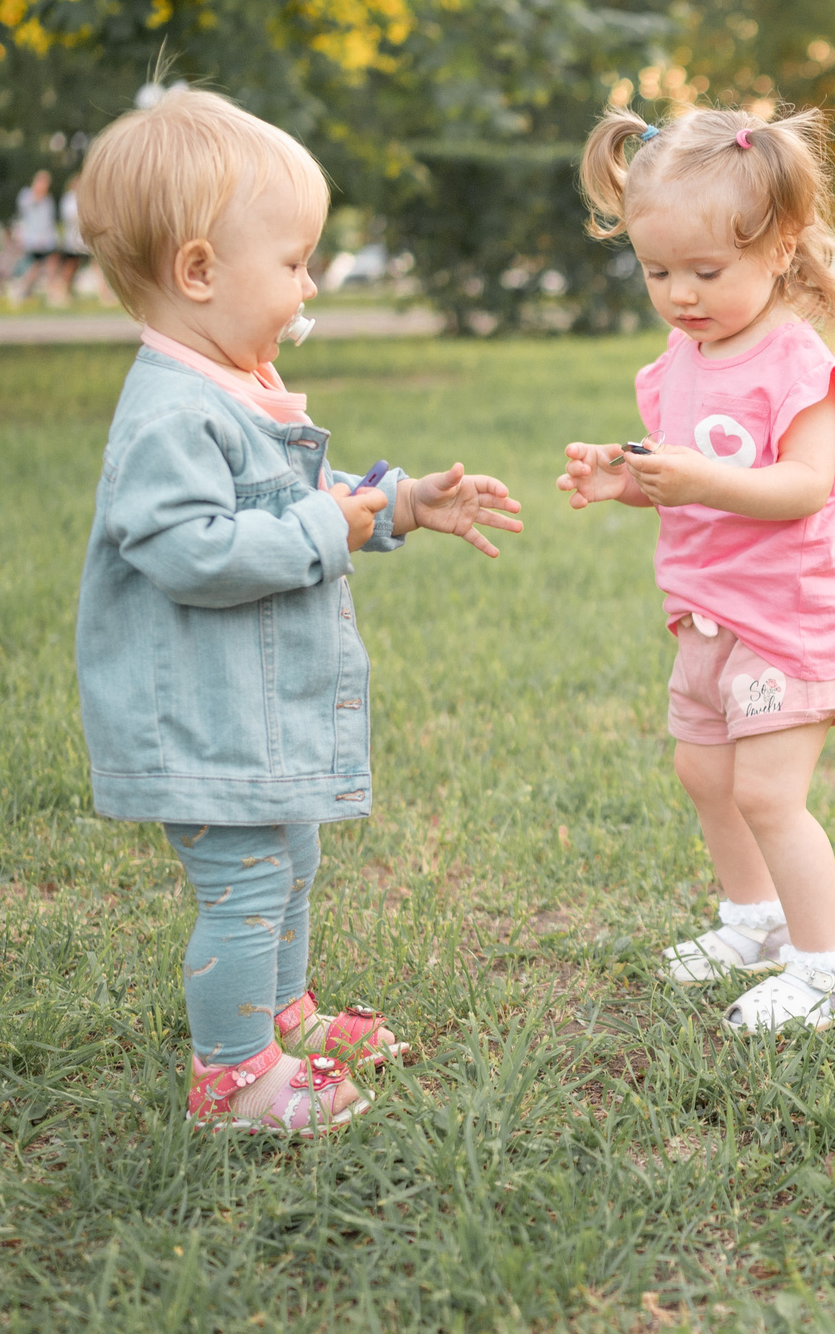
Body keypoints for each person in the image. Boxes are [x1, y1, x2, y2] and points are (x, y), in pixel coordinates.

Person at [73, 88, 524, 1130]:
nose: (308, 283)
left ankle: (282, 1011)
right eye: (292, 262)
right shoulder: (171, 412)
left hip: (250, 704)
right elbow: (190, 553)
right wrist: (337, 530)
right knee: (242, 881)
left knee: (292, 859)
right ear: (198, 272)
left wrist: (399, 505)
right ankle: (231, 1076)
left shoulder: (234, 382)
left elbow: (300, 509)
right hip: (202, 710)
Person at [557, 106, 835, 1031]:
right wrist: (625, 481)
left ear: (780, 250)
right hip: (707, 615)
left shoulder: (796, 362)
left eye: (706, 272)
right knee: (704, 776)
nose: (681, 295)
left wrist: (700, 473)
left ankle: (825, 970)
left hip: (789, 618)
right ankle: (754, 922)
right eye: (658, 272)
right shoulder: (676, 363)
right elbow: (683, 487)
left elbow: (802, 486)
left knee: (768, 793)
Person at [11, 169, 59, 306]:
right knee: (34, 268)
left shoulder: (48, 200)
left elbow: (49, 221)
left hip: (46, 240)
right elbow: (24, 212)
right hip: (32, 240)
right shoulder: (26, 195)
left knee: (50, 266)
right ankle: (22, 290)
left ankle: (52, 294)